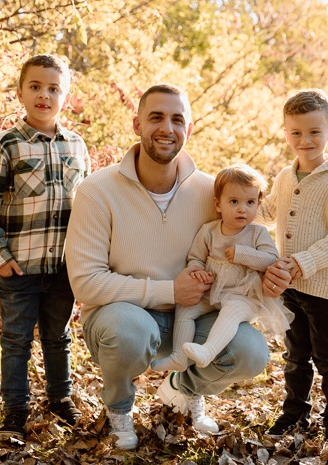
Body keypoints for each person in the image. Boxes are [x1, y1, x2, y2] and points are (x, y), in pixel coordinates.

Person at [64, 84, 271, 450]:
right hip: (122, 317)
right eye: (156, 117)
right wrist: (168, 290)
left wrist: (277, 269)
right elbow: (85, 283)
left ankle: (182, 387)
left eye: (177, 119)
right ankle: (119, 409)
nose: (167, 128)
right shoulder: (97, 191)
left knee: (252, 352)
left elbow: (252, 236)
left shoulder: (212, 192)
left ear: (188, 130)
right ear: (136, 124)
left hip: (193, 316)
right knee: (130, 332)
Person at [0, 54, 91, 440]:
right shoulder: (6, 144)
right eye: (36, 87)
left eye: (54, 88)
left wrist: (86, 261)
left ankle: (60, 399)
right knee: (16, 341)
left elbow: (88, 207)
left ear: (66, 95)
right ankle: (16, 410)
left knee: (58, 338)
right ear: (20, 92)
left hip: (62, 267)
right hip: (19, 267)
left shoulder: (76, 145)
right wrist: (0, 258)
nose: (45, 95)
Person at [256, 88, 328, 443]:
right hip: (290, 286)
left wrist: (302, 262)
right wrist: (233, 207)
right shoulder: (287, 176)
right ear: (285, 133)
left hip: (325, 288)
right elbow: (270, 211)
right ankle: (295, 412)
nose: (305, 140)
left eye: (315, 132)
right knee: (296, 354)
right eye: (296, 132)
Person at [151, 164, 293, 372]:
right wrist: (197, 270)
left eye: (250, 202)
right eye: (234, 202)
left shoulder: (257, 234)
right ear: (218, 205)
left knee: (232, 311)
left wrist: (243, 254)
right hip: (212, 291)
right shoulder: (209, 231)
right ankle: (179, 356)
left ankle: (208, 351)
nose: (242, 209)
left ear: (258, 205)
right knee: (186, 307)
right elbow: (196, 257)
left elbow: (270, 260)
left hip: (244, 295)